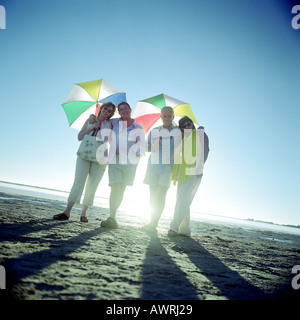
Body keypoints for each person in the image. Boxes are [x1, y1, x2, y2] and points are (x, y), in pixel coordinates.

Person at [53, 102, 116, 222]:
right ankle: (67, 212)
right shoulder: (90, 120)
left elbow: (110, 141)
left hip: (100, 157)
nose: (106, 111)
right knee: (78, 181)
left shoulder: (110, 124)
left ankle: (83, 213)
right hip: (84, 154)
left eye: (109, 111)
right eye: (105, 108)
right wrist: (93, 126)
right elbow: (79, 137)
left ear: (110, 114)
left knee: (92, 185)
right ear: (101, 108)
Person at [100, 102, 145, 228]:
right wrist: (93, 118)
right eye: (120, 109)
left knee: (121, 189)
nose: (123, 111)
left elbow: (140, 149)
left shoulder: (138, 128)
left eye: (125, 108)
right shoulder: (114, 122)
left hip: (131, 163)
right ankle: (112, 217)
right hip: (115, 160)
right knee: (115, 187)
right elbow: (103, 122)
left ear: (130, 110)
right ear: (118, 112)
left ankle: (113, 217)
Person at [141, 107, 181, 233]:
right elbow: (146, 148)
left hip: (168, 169)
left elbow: (181, 149)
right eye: (165, 116)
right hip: (153, 167)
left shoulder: (179, 132)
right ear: (161, 117)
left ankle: (154, 224)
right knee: (152, 195)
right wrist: (155, 145)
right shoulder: (154, 131)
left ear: (173, 117)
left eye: (169, 116)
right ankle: (151, 221)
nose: (167, 118)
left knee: (161, 195)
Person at [168, 116, 209, 237]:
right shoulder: (183, 139)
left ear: (192, 124)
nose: (187, 126)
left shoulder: (200, 134)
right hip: (182, 173)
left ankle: (173, 227)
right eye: (184, 125)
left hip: (194, 171)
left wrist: (199, 167)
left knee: (182, 199)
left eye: (189, 124)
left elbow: (205, 150)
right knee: (182, 200)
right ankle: (185, 230)